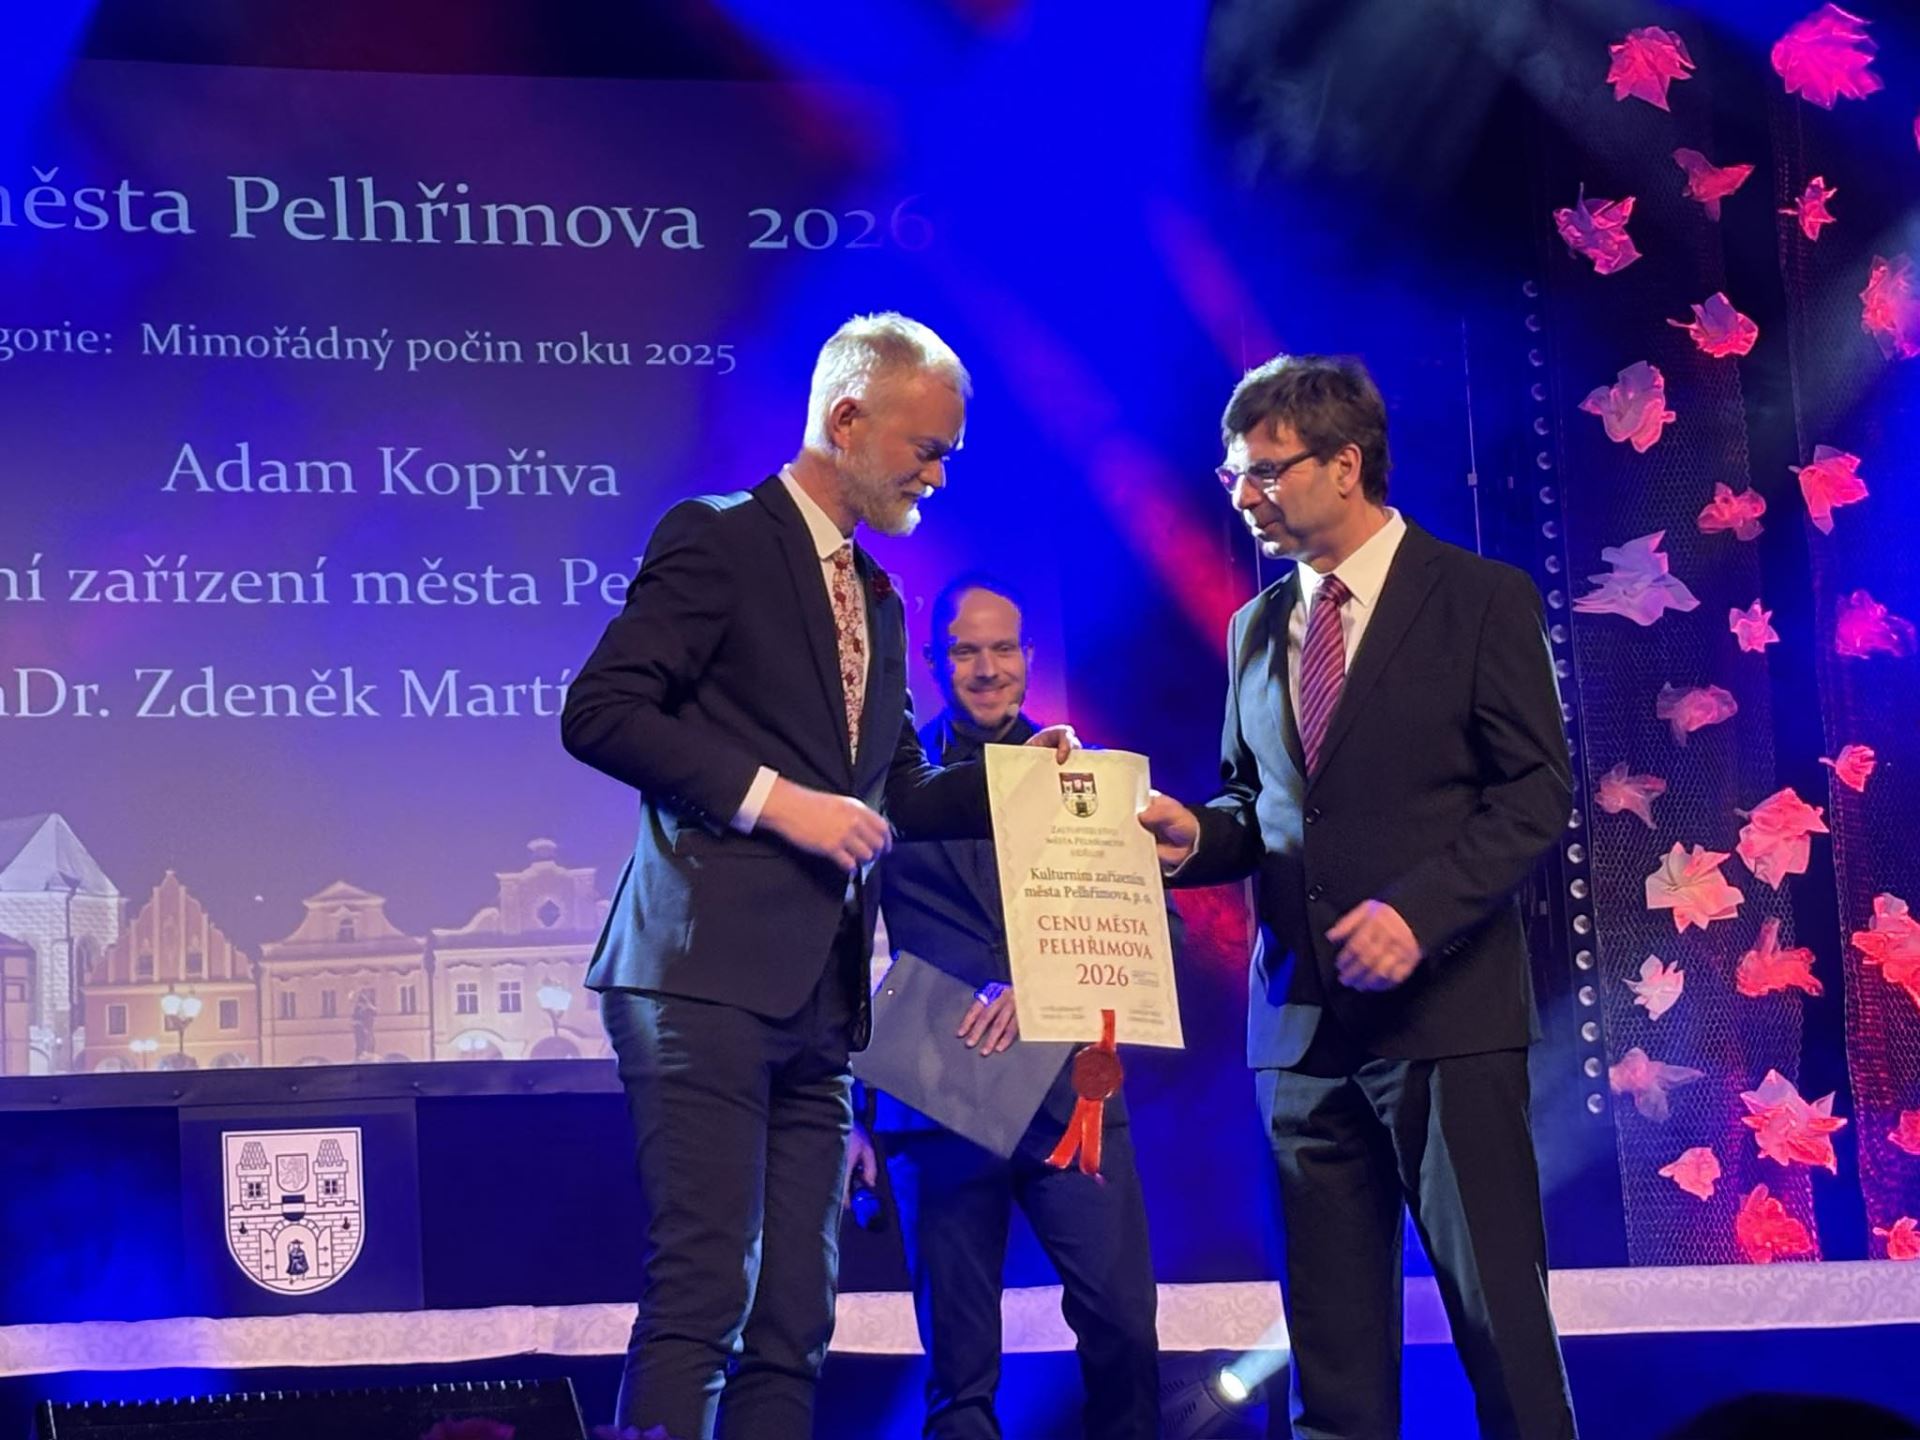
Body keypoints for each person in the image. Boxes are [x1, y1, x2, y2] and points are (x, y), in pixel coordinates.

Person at [561, 313, 1074, 1440]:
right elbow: (599, 713)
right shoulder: (719, 538)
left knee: (796, 1318)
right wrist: (775, 800)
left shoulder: (879, 597)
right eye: (926, 449)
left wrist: (1013, 779)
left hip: (821, 1007)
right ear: (847, 419)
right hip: (699, 978)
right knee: (707, 1293)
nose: (938, 476)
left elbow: (895, 792)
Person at [1138, 354, 1577, 1439]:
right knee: (1330, 1352)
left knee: (1501, 1328)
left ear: (1344, 465)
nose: (1243, 495)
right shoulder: (1252, 628)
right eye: (1233, 474)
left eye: (1264, 471)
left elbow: (1535, 795)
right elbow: (1256, 805)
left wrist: (1418, 914)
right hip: (1300, 1035)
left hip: (1448, 1022)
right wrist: (1196, 835)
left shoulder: (1479, 599)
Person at [848, 575, 1161, 1439]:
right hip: (935, 1094)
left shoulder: (1088, 779)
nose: (986, 668)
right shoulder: (891, 785)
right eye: (964, 651)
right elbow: (841, 946)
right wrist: (853, 1113)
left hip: (1070, 1100)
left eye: (1001, 649)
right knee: (958, 1372)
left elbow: (1149, 927)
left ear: (1029, 656)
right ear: (931, 661)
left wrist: (1050, 985)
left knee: (1124, 1330)